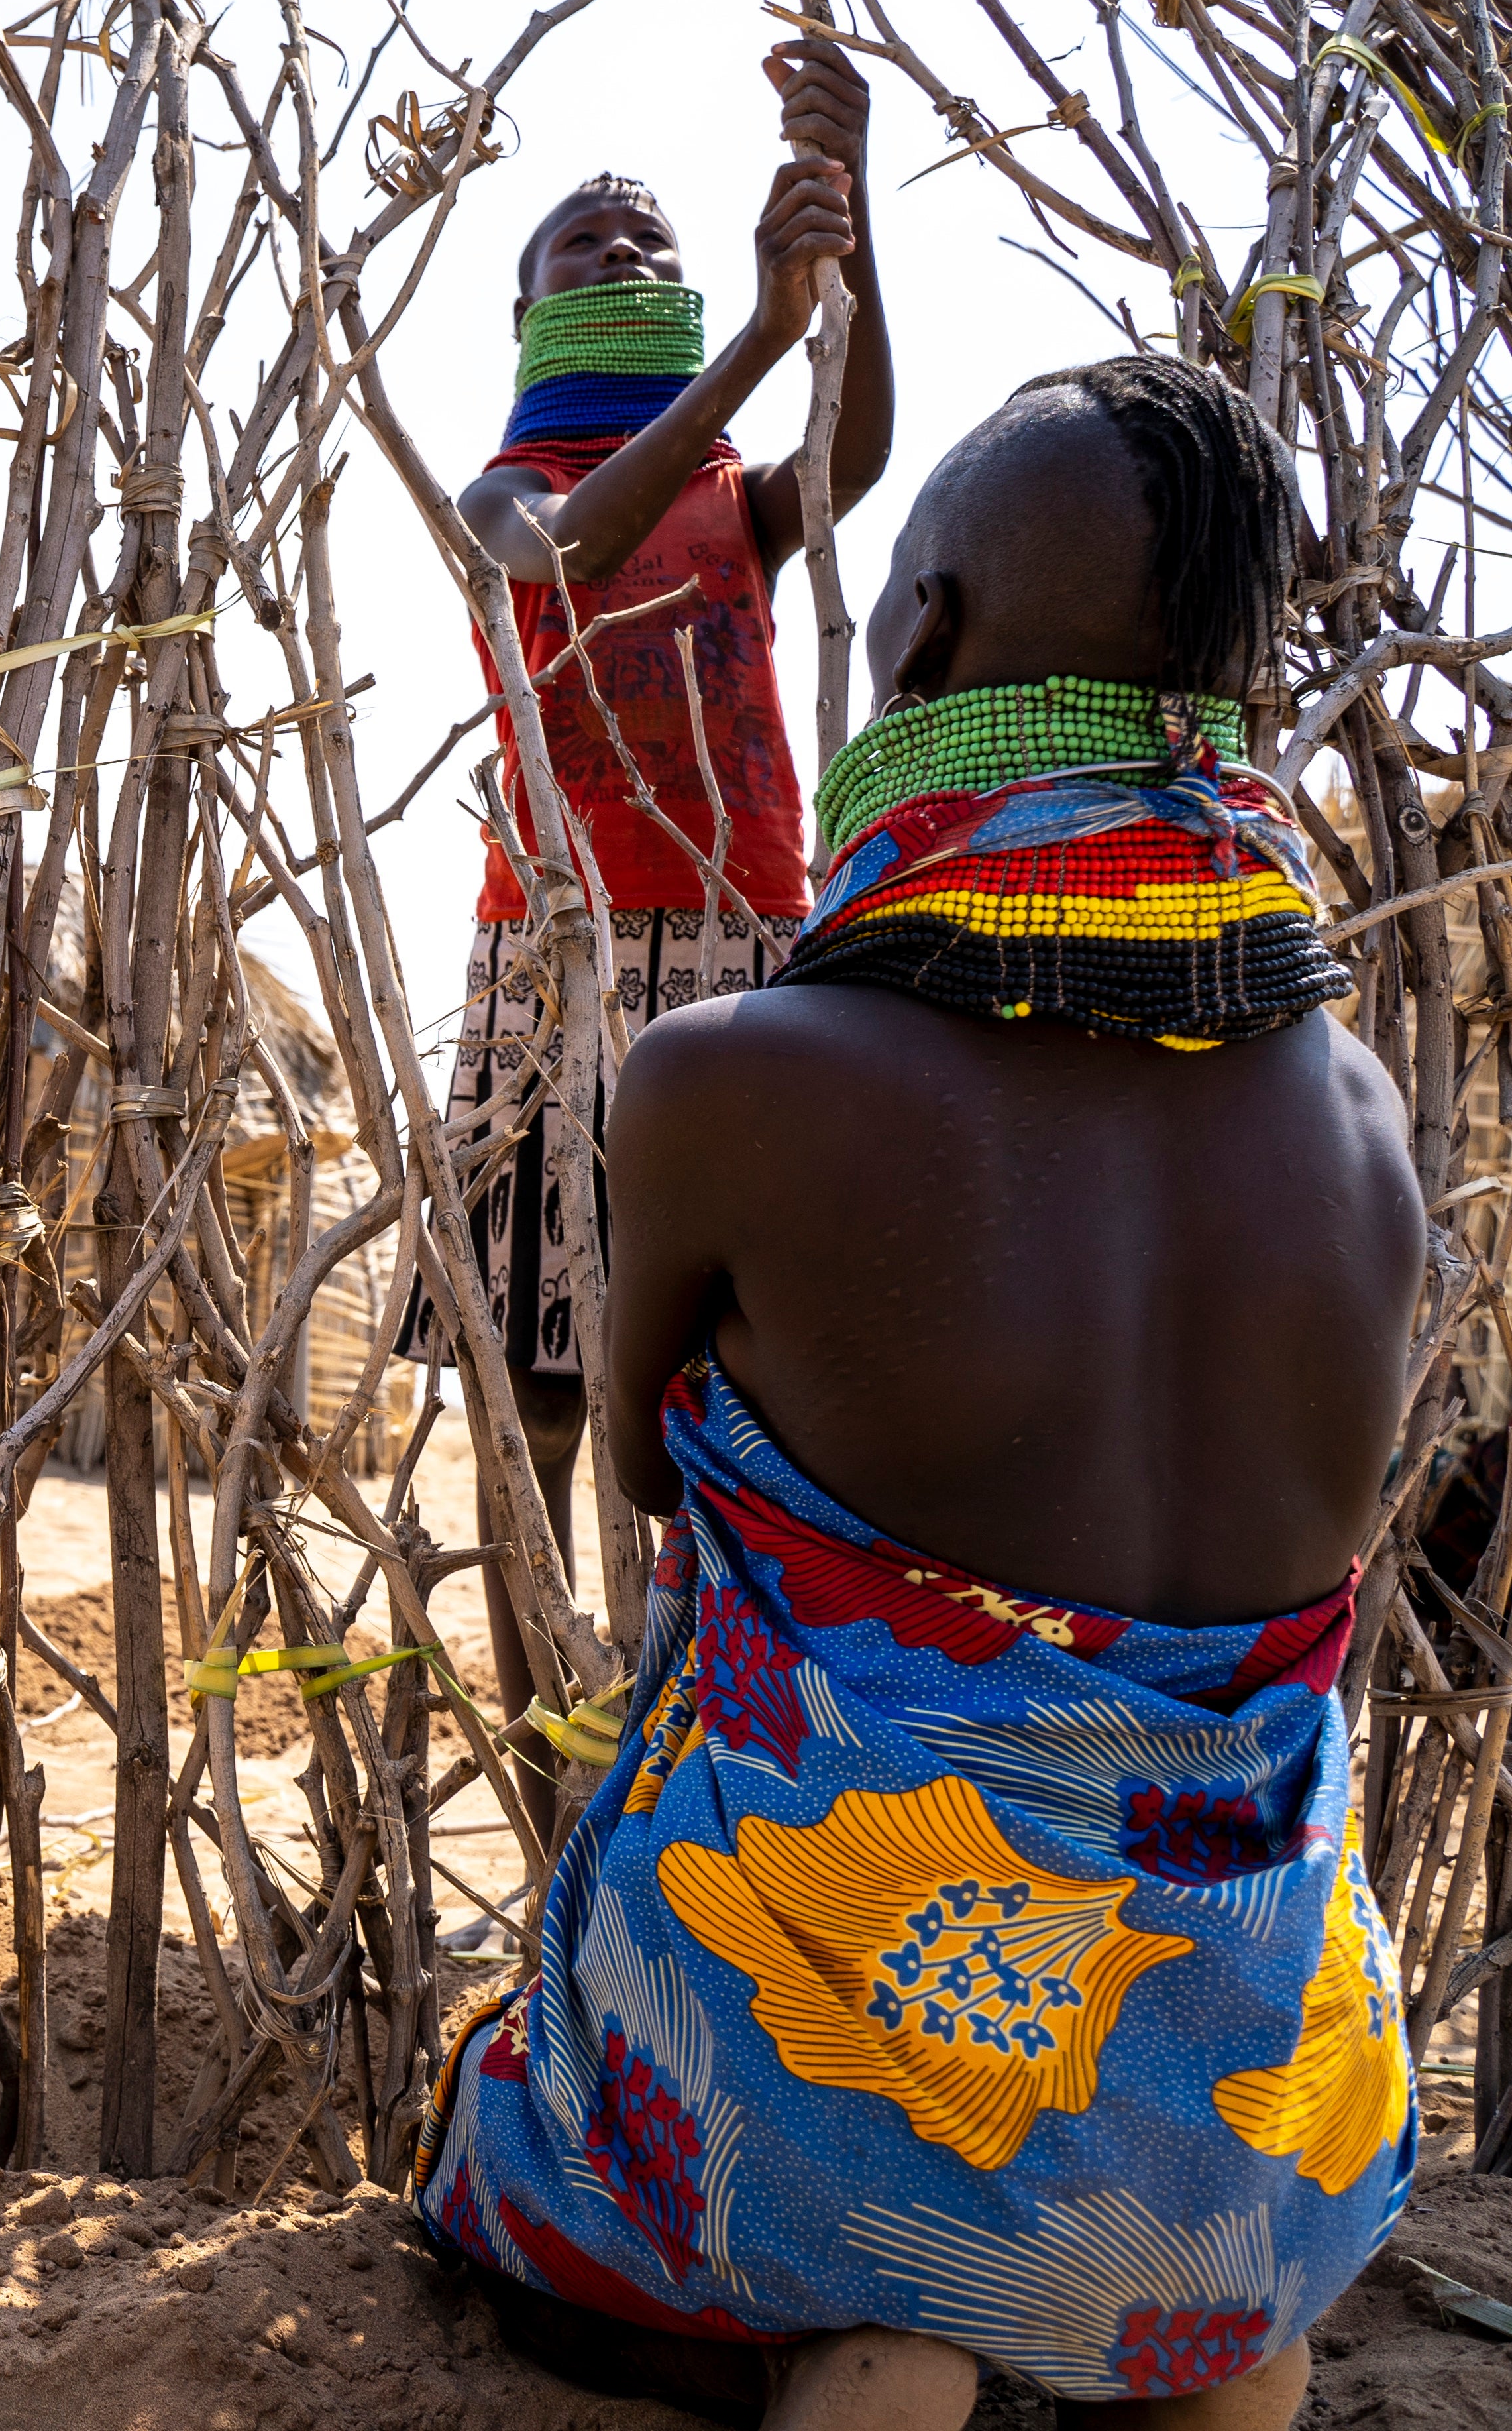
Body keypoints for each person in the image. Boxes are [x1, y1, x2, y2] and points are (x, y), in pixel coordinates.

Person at [414, 359, 1419, 2428]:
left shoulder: (735, 1082)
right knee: (1199, 2278)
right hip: (1269, 2142)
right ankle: (1178, 2330)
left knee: (659, 2166)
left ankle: (893, 2317)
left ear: (926, 640)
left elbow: (641, 1472)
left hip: (828, 2111)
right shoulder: (1364, 1121)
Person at [402, 38, 897, 1729]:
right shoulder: (509, 491)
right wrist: (759, 328)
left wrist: (849, 240)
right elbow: (563, 554)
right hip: (560, 956)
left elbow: (857, 458)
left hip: (747, 943)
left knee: (736, 1360)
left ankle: (703, 1713)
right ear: (530, 317)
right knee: (543, 1382)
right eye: (583, 250)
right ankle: (546, 1710)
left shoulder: (733, 497)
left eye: (655, 247)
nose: (627, 261)